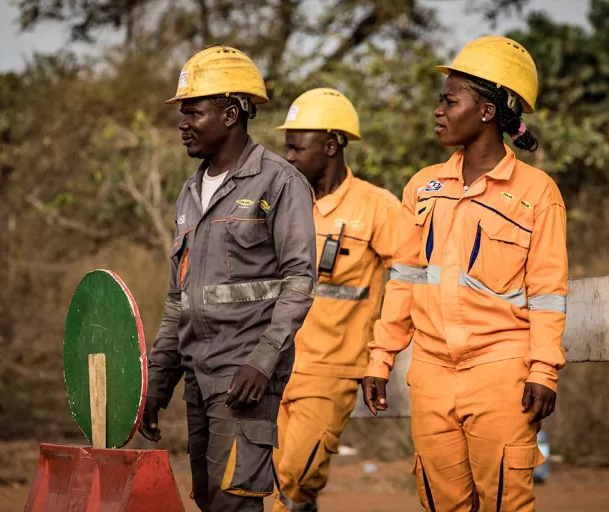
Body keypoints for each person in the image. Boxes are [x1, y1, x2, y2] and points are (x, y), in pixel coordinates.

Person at [362, 36, 568, 511]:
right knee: (441, 502)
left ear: (487, 111)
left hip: (502, 371)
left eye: (449, 100)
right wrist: (380, 358)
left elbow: (548, 293)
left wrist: (543, 371)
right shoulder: (423, 187)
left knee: (503, 501)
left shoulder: (538, 193)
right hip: (431, 371)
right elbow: (405, 280)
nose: (438, 110)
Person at [139, 45, 317, 512]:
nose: (183, 123)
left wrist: (262, 361)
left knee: (234, 502)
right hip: (198, 373)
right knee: (209, 498)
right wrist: (159, 379)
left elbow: (299, 280)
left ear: (231, 113)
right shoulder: (190, 192)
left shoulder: (278, 181)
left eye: (193, 112)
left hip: (245, 374)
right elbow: (179, 299)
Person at [272, 88, 400, 511]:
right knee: (259, 481)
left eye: (297, 147)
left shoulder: (378, 208)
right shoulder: (279, 203)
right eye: (286, 147)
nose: (288, 157)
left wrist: (380, 359)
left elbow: (413, 280)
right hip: (270, 367)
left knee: (296, 476)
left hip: (331, 371)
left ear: (331, 145)